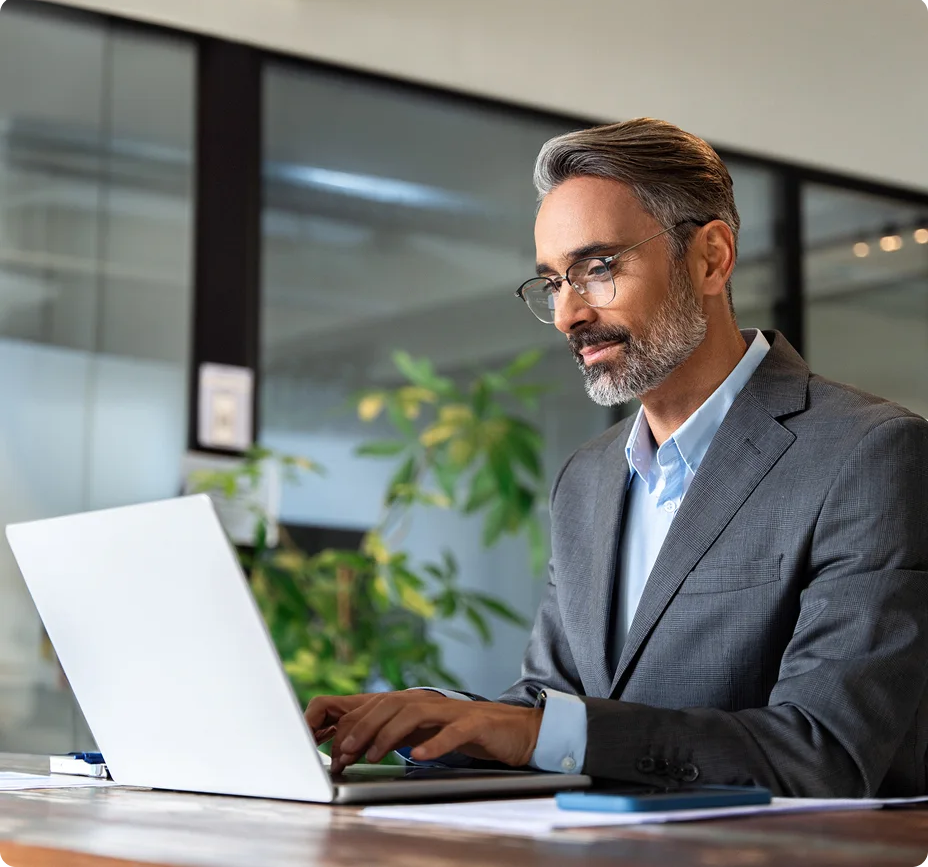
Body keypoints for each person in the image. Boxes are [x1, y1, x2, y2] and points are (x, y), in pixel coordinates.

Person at [305, 118, 928, 797]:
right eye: (552, 283)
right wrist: (431, 719)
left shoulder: (870, 454)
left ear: (711, 259)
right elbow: (555, 702)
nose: (569, 314)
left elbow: (825, 752)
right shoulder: (587, 478)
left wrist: (538, 732)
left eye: (597, 268)